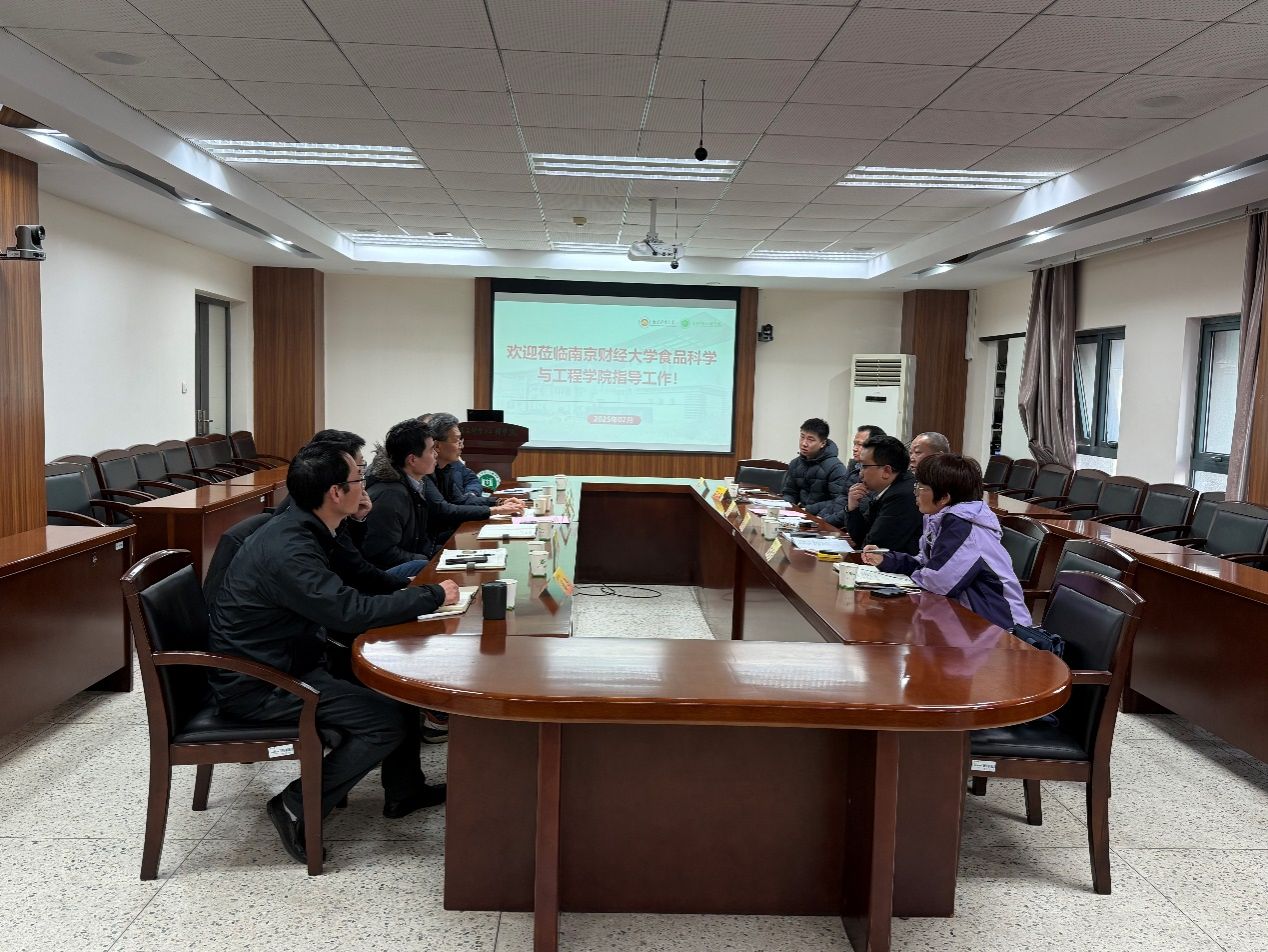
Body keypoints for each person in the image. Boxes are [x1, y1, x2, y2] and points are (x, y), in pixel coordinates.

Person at [208, 443, 460, 863]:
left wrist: (357, 525)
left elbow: (354, 578)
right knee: (384, 722)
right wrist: (431, 596)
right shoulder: (290, 549)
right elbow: (348, 611)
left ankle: (405, 791)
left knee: (397, 693)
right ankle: (294, 804)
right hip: (262, 682)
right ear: (335, 492)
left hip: (290, 657)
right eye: (359, 478)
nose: (366, 486)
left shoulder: (305, 525)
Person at [861, 454, 1032, 631]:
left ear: (944, 497)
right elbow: (927, 563)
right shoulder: (940, 519)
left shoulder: (964, 526)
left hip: (1000, 627)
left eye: (921, 487)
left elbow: (939, 582)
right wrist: (887, 559)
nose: (915, 492)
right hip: (967, 618)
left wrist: (913, 575)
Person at [424, 413, 523, 544]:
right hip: (433, 542)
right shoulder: (424, 473)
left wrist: (499, 502)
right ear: (437, 446)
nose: (461, 446)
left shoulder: (445, 469)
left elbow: (460, 500)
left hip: (447, 534)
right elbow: (446, 510)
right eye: (456, 441)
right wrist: (494, 510)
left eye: (461, 440)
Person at [362, 419, 443, 579]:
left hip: (408, 559)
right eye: (431, 450)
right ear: (412, 460)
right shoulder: (390, 494)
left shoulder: (414, 484)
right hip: (382, 574)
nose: (436, 454)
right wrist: (427, 559)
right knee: (425, 566)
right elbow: (381, 552)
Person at [834, 434, 922, 554]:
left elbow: (873, 547)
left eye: (864, 466)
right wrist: (852, 508)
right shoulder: (890, 488)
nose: (860, 473)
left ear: (886, 471)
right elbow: (861, 536)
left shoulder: (903, 496)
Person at [780, 417, 847, 516]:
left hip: (822, 518)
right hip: (798, 515)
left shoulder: (836, 468)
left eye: (810, 440)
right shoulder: (795, 463)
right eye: (802, 437)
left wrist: (808, 510)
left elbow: (839, 502)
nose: (804, 443)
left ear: (823, 443)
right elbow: (789, 492)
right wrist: (787, 506)